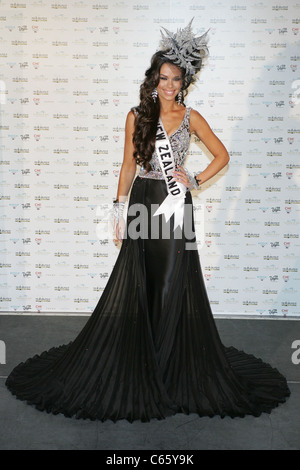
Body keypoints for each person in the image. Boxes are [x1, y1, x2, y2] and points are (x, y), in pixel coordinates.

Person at [6, 20, 290, 422]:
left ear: (184, 81)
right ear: (153, 79)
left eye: (175, 79)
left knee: (173, 282)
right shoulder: (136, 115)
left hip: (175, 209)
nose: (169, 85)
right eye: (163, 78)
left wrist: (194, 178)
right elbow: (127, 165)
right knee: (143, 280)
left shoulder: (191, 117)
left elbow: (223, 156)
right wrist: (118, 209)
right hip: (143, 201)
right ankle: (143, 363)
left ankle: (168, 367)